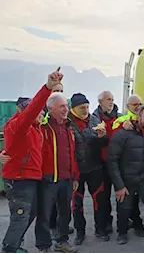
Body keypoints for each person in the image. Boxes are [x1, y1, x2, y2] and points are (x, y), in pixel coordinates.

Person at [0, 70, 59, 254]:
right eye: (37, 111)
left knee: (29, 214)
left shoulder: (35, 130)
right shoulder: (18, 125)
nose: (40, 114)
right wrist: (48, 88)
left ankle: (15, 245)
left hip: (32, 178)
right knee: (20, 216)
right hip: (19, 179)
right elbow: (32, 110)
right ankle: (10, 249)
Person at [107, 106, 144, 252]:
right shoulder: (123, 134)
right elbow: (112, 160)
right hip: (126, 180)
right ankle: (122, 233)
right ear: (138, 118)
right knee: (124, 209)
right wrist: (119, 185)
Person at [36, 92, 80, 253]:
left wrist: (75, 176)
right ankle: (43, 245)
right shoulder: (43, 127)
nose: (66, 109)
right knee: (44, 214)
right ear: (50, 108)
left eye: (66, 106)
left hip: (67, 178)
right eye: (62, 106)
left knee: (65, 212)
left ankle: (62, 241)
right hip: (48, 179)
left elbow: (72, 154)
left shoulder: (68, 127)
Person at [69, 93, 109, 245]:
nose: (85, 110)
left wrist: (102, 138)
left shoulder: (94, 120)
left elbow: (103, 145)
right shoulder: (67, 122)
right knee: (77, 203)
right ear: (73, 108)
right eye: (81, 108)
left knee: (99, 200)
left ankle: (100, 229)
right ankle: (80, 231)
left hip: (94, 167)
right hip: (76, 169)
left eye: (87, 107)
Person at [92, 90, 122, 233]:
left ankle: (123, 224)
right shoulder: (93, 119)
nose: (111, 102)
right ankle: (103, 225)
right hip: (100, 163)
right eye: (108, 99)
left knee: (121, 195)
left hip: (118, 162)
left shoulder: (120, 117)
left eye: (112, 99)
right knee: (102, 198)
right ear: (100, 102)